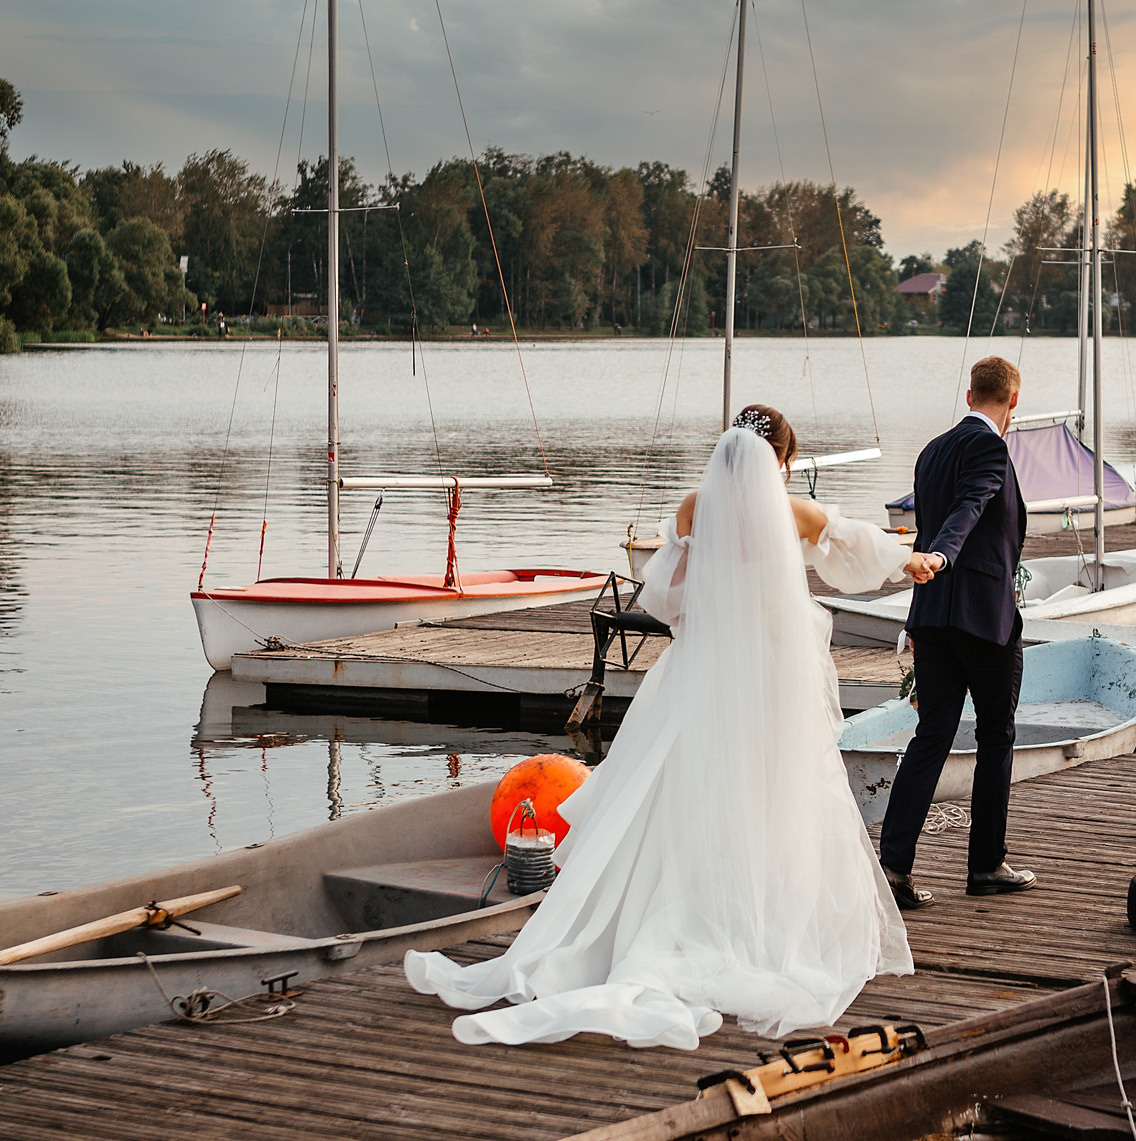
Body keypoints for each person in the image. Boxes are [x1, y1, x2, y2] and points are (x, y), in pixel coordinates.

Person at [405, 404, 938, 1049]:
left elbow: (662, 598)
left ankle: (668, 916)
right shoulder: (792, 512)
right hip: (770, 677)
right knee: (770, 792)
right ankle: (756, 921)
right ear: (780, 460)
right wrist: (911, 562)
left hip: (700, 673)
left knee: (681, 786)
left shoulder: (693, 508)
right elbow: (856, 547)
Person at [877, 356, 1037, 910]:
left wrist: (934, 560)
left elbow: (942, 516)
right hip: (982, 617)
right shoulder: (990, 448)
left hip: (932, 616)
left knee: (931, 736)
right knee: (996, 736)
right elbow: (971, 505)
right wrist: (943, 555)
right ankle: (986, 865)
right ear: (1013, 400)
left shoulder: (931, 450)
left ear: (970, 396)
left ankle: (894, 867)